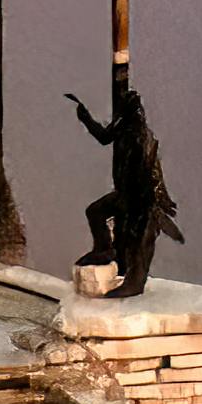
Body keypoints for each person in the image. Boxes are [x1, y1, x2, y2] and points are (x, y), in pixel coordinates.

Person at [67, 78, 179, 294]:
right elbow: (104, 137)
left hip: (138, 196)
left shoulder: (142, 138)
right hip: (125, 193)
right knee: (95, 211)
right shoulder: (124, 128)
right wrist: (85, 117)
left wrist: (158, 199)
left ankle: (134, 282)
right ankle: (104, 249)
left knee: (136, 235)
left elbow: (153, 172)